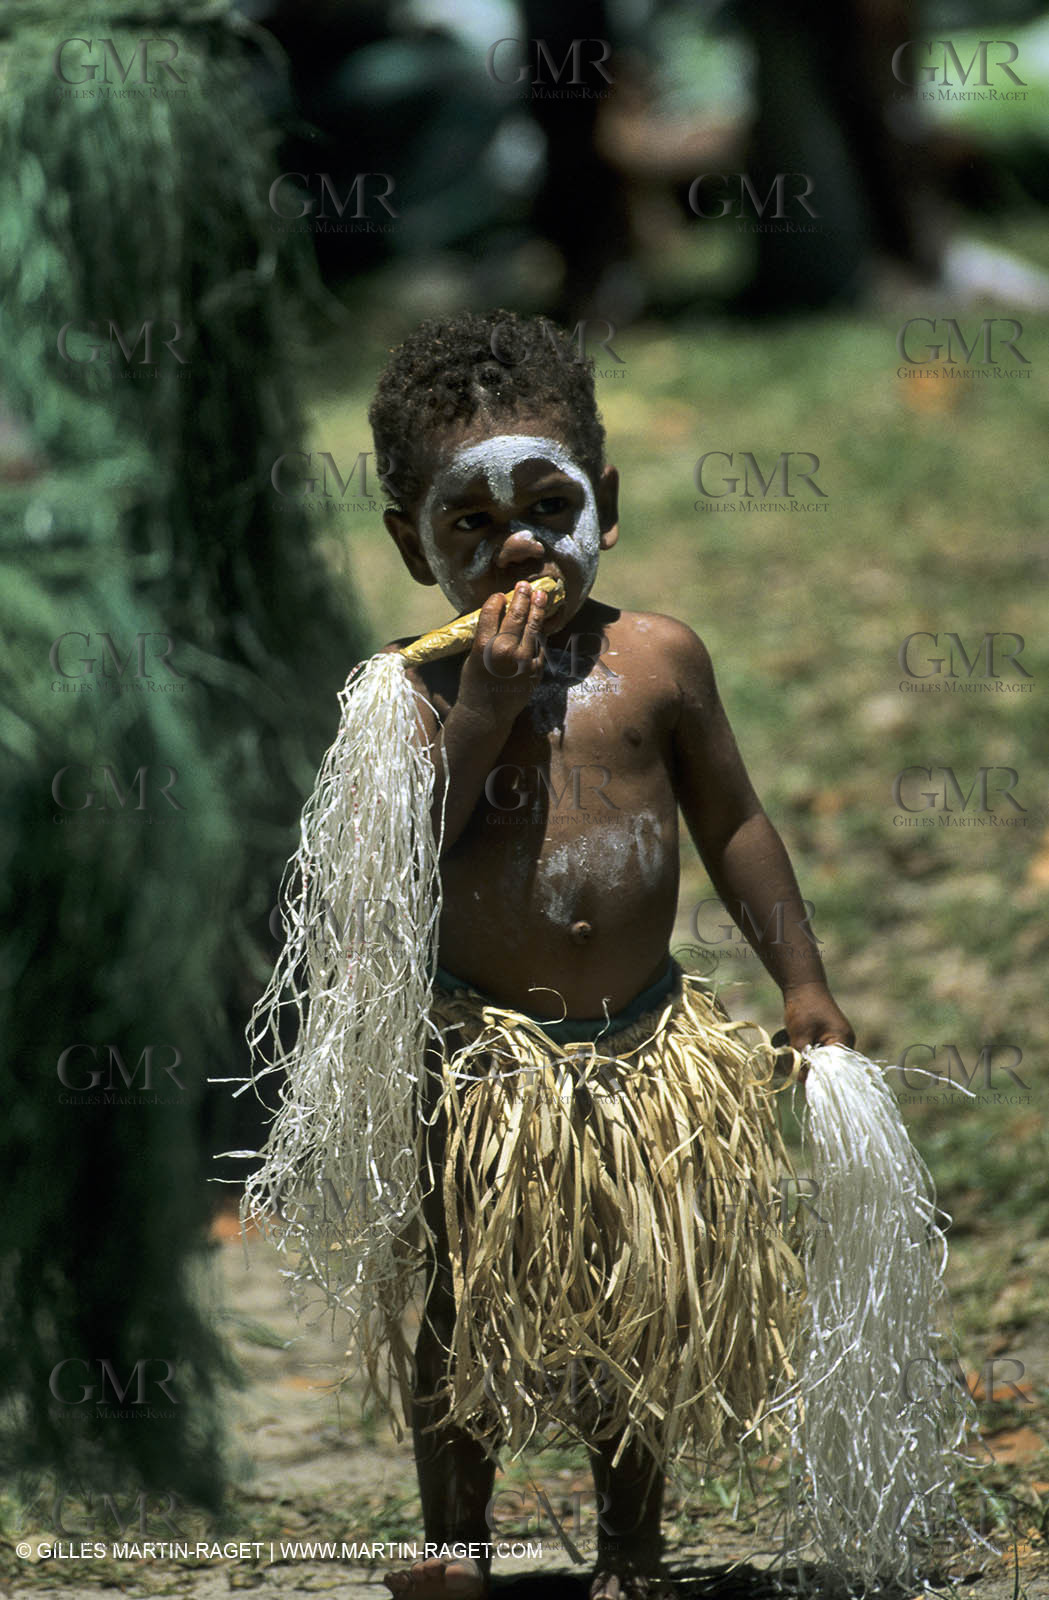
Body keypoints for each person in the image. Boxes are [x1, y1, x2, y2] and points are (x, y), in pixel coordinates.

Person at [364, 310, 854, 1600]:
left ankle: (631, 1553)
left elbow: (735, 821)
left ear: (608, 505)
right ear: (413, 549)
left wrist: (800, 981)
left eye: (548, 501)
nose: (517, 543)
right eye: (468, 523)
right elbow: (404, 855)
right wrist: (485, 709)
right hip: (490, 1074)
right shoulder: (411, 697)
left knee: (637, 1305)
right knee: (466, 1310)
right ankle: (455, 1548)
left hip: (646, 1057)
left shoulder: (658, 662)